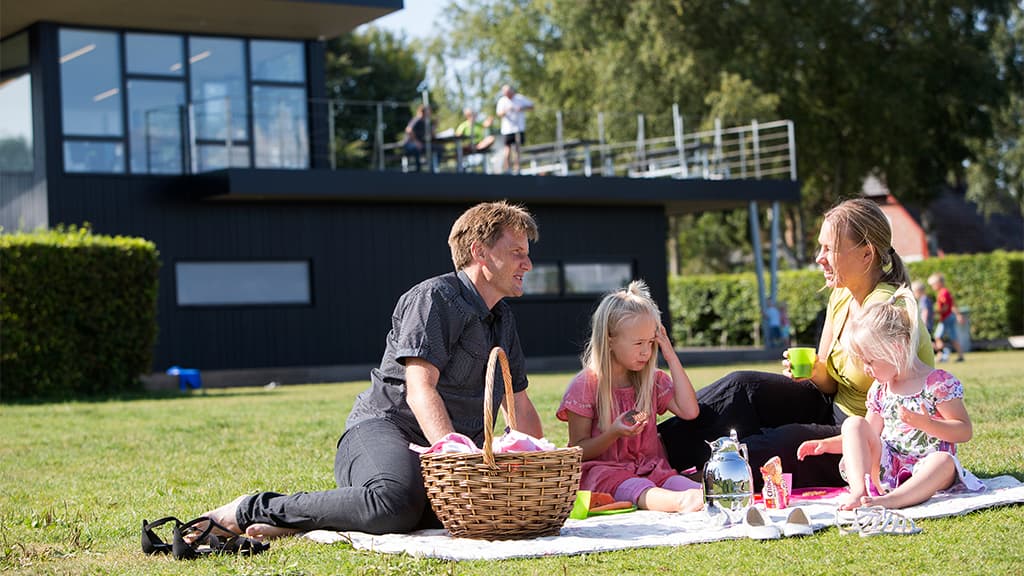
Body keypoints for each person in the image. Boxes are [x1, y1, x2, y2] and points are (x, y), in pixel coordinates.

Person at [197, 201, 544, 539]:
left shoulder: (503, 318)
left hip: (450, 454)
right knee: (394, 504)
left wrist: (541, 464)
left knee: (473, 512)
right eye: (517, 252)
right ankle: (252, 508)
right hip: (387, 430)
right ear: (480, 252)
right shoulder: (434, 298)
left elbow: (520, 405)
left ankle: (302, 522)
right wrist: (453, 459)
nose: (527, 264)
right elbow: (420, 389)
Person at [658, 198, 935, 490]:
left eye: (829, 249)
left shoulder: (886, 312)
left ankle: (689, 479)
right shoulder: (841, 294)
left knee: (779, 444)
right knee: (743, 388)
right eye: (820, 247)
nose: (819, 257)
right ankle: (647, 450)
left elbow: (898, 406)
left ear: (867, 254)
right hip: (832, 407)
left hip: (869, 434)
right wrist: (816, 371)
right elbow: (829, 385)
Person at [796, 285, 982, 510]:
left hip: (929, 469)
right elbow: (868, 435)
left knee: (943, 462)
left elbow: (964, 431)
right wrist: (826, 444)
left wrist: (928, 424)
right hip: (889, 468)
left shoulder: (937, 383)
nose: (866, 369)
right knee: (854, 424)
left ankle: (893, 500)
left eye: (870, 361)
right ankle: (860, 491)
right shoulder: (881, 389)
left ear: (895, 349)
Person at [556, 281, 704, 513]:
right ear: (610, 340)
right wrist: (614, 432)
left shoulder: (652, 380)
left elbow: (689, 411)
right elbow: (578, 450)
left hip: (652, 469)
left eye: (650, 343)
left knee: (689, 488)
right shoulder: (585, 385)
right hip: (605, 474)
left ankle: (696, 498)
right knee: (642, 489)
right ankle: (680, 503)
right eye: (638, 343)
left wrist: (670, 353)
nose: (646, 352)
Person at [495, 84, 534, 173]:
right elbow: (499, 114)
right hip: (507, 129)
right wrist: (507, 110)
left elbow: (531, 106)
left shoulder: (520, 98)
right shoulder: (502, 101)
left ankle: (517, 168)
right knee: (507, 149)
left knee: (517, 148)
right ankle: (507, 168)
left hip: (519, 128)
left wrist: (522, 108)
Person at [928, 272, 964, 363]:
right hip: (948, 317)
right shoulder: (944, 292)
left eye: (933, 285)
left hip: (946, 318)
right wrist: (958, 315)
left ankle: (942, 355)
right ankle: (960, 355)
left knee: (937, 336)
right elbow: (952, 305)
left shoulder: (943, 293)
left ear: (938, 283)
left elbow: (945, 307)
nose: (932, 287)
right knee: (952, 337)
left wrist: (935, 312)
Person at [402, 105, 434, 172]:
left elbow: (429, 134)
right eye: (428, 111)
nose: (430, 113)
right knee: (416, 149)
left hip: (420, 144)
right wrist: (416, 142)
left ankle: (433, 169)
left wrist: (434, 126)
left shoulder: (425, 122)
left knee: (437, 148)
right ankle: (418, 171)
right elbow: (409, 130)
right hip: (409, 144)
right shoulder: (417, 119)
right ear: (423, 112)